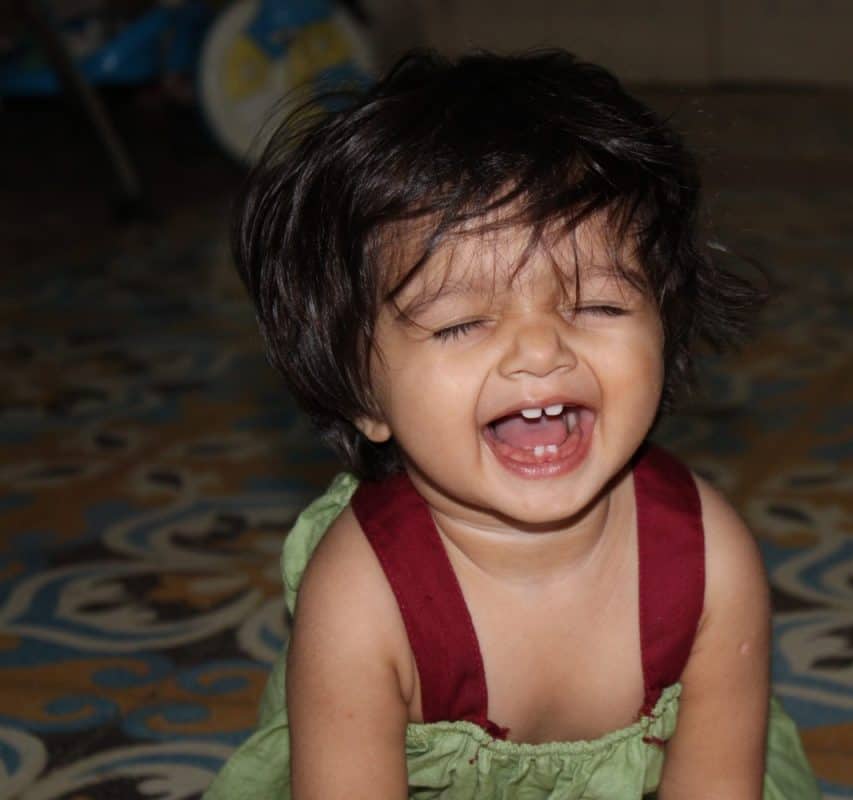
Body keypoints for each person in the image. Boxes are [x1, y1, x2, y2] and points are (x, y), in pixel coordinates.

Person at [205, 48, 820, 799]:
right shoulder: (366, 598)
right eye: (462, 323)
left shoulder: (708, 562)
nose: (539, 349)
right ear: (363, 395)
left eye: (597, 306)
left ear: (666, 326)